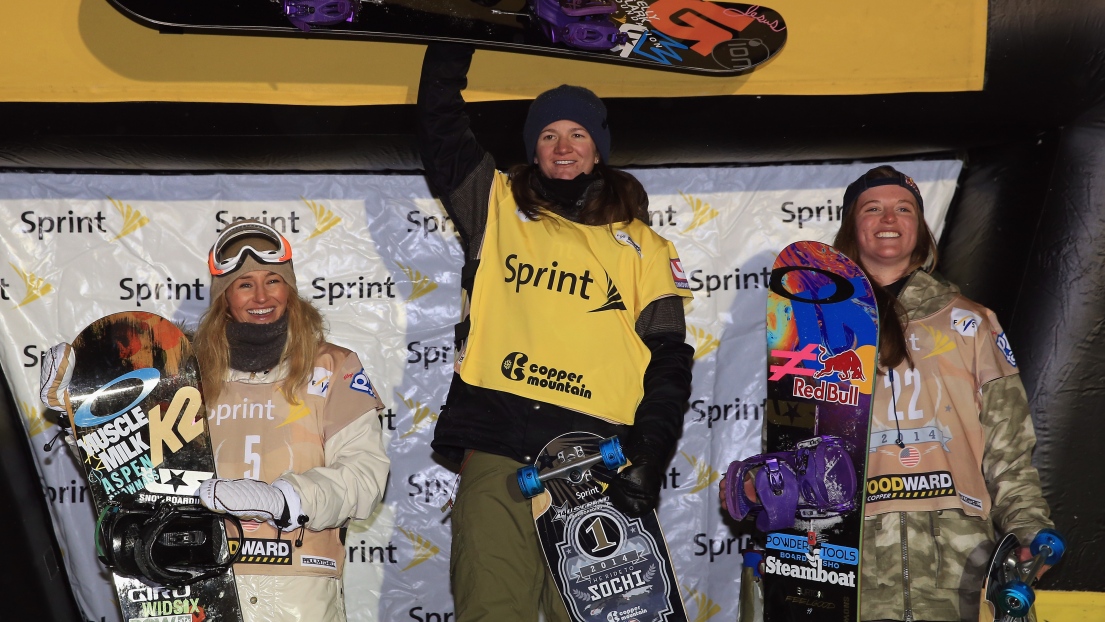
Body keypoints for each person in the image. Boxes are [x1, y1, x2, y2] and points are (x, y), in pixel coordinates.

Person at [417, 42, 695, 621]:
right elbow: (441, 126)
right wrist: (454, 37)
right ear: (533, 150)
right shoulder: (493, 206)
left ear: (598, 151)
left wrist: (652, 449)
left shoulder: (645, 247)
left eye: (577, 135)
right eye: (548, 135)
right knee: (493, 609)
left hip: (597, 458)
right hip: (498, 447)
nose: (563, 147)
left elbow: (669, 358)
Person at [721, 165, 1053, 621]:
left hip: (957, 560)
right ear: (851, 227)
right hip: (849, 558)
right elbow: (794, 443)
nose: (888, 219)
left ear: (921, 227)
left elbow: (1009, 451)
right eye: (872, 208)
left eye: (903, 208)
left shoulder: (972, 323)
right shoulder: (813, 329)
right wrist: (762, 486)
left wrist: (1029, 528)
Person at [42, 220, 390, 622]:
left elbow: (365, 477)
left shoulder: (333, 365)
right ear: (224, 297)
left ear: (290, 290)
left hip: (298, 593)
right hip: (199, 583)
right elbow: (131, 463)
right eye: (244, 285)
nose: (261, 296)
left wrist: (283, 498)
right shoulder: (184, 370)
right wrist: (76, 413)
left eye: (273, 280)